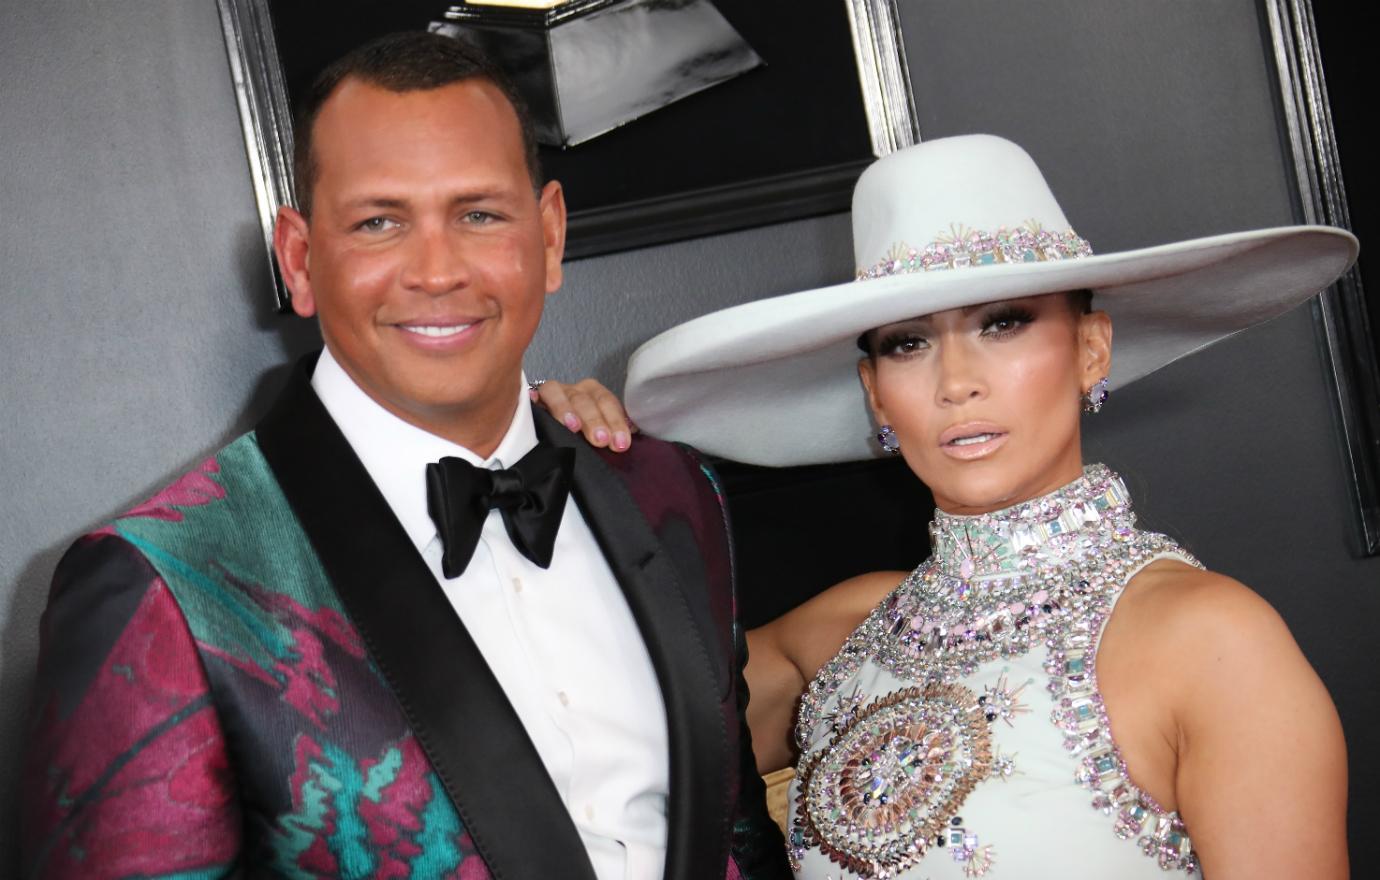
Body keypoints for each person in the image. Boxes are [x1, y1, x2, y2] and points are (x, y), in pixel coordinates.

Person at [19, 32, 787, 880]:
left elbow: (739, 840)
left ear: (551, 236)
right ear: (301, 260)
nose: (436, 271)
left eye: (479, 214)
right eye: (380, 222)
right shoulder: (161, 587)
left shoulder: (670, 489)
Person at [537, 135, 1356, 878]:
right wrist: (541, 450)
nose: (955, 380)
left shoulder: (1211, 639)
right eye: (908, 342)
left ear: (1092, 348)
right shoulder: (843, 631)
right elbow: (581, 737)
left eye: (1003, 324)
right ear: (876, 395)